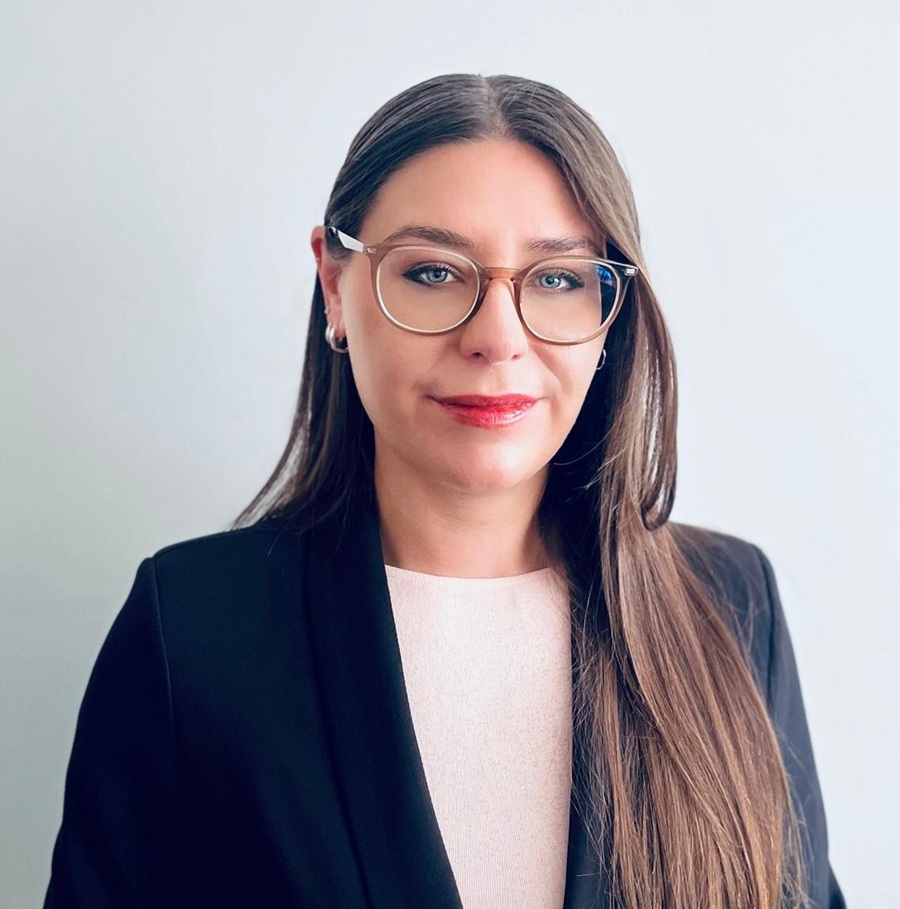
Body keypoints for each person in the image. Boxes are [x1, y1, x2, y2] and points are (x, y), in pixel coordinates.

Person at [44, 73, 845, 909]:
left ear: (610, 309)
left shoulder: (732, 608)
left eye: (558, 278)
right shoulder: (191, 628)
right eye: (433, 272)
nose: (497, 338)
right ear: (335, 286)